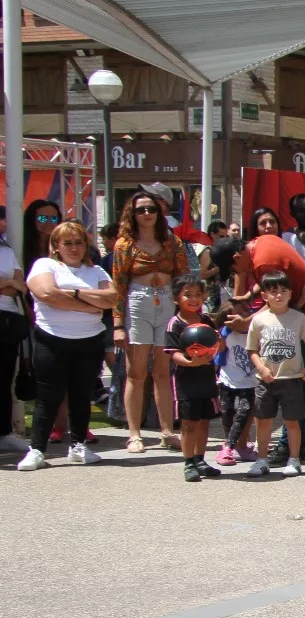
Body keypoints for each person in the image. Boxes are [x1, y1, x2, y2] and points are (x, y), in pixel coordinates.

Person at [16, 222, 116, 471]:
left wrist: (70, 294)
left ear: (86, 246)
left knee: (82, 396)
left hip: (89, 341)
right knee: (48, 397)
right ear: (56, 246)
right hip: (52, 339)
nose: (73, 248)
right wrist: (89, 302)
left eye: (79, 242)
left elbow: (112, 299)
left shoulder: (97, 273)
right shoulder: (45, 265)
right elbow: (47, 293)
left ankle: (78, 445)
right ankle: (37, 449)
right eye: (67, 243)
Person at [111, 190, 191, 453]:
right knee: (136, 372)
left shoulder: (172, 242)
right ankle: (134, 434)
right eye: (141, 210)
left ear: (160, 212)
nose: (147, 214)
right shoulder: (124, 244)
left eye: (151, 209)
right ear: (132, 215)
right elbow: (119, 286)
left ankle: (167, 431)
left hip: (167, 300)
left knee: (163, 371)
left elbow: (183, 278)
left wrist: (186, 314)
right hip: (138, 301)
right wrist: (118, 324)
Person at [244, 269, 305, 478]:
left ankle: (294, 459)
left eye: (283, 291)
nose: (279, 295)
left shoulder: (298, 318)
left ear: (290, 293)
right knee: (264, 421)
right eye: (273, 291)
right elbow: (252, 349)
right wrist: (261, 367)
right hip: (265, 380)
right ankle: (261, 459)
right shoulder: (259, 320)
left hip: (292, 379)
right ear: (264, 295)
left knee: (292, 421)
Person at [164, 275, 223, 482]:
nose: (194, 299)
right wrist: (190, 362)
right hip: (185, 381)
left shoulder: (206, 320)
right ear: (176, 298)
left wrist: (218, 344)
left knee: (204, 421)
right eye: (187, 295)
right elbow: (174, 354)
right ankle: (188, 462)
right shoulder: (175, 324)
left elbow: (217, 345)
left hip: (206, 377)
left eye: (198, 294)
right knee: (188, 423)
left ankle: (200, 459)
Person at [214, 298, 258, 466]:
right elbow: (218, 353)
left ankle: (229, 448)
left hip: (249, 381)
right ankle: (235, 445)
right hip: (228, 379)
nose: (244, 317)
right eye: (238, 314)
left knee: (244, 413)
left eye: (246, 313)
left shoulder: (255, 332)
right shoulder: (225, 334)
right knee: (227, 413)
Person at [0, 205, 28, 454]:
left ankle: (3, 432)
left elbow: (21, 285)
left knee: (5, 377)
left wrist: (8, 283)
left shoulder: (8, 252)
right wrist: (9, 282)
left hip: (7, 319)